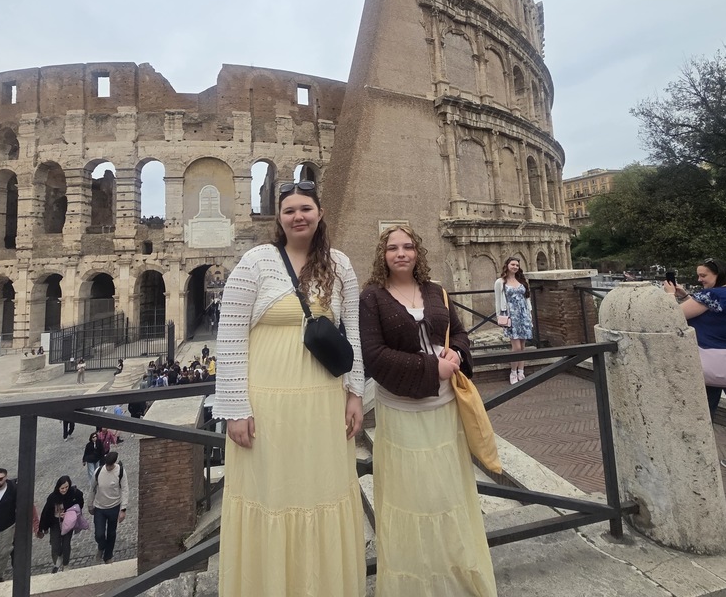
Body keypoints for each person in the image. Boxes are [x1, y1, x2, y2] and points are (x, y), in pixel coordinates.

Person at [215, 179, 365, 596]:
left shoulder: (340, 265)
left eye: (306, 208)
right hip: (267, 404)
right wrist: (234, 408)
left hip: (322, 400)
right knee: (272, 494)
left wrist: (355, 394)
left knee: (323, 488)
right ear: (279, 219)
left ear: (320, 214)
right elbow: (229, 337)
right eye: (289, 211)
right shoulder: (256, 261)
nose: (298, 216)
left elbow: (351, 331)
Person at [360, 225, 497, 596]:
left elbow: (460, 333)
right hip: (403, 408)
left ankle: (452, 571)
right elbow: (372, 356)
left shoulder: (436, 291)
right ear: (382, 254)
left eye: (407, 247)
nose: (401, 253)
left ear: (417, 252)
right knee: (411, 495)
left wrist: (457, 354)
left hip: (445, 406)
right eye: (392, 248)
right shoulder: (372, 297)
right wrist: (429, 368)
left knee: (446, 492)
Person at [665, 257, 726, 482]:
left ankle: (698, 461)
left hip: (708, 362)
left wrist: (669, 296)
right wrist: (685, 296)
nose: (700, 280)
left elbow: (673, 316)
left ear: (719, 274)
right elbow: (715, 312)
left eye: (704, 276)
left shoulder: (714, 295)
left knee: (702, 409)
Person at [494, 256, 534, 384]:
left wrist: (530, 314)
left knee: (522, 346)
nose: (515, 267)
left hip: (523, 315)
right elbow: (497, 300)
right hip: (511, 316)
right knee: (515, 347)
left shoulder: (522, 281)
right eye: (513, 264)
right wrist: (499, 316)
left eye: (517, 265)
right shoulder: (500, 282)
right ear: (507, 265)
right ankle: (513, 372)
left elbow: (527, 299)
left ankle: (521, 371)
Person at [37, 475, 85, 573]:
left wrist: (70, 513)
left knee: (66, 543)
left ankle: (66, 564)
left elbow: (80, 503)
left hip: (68, 522)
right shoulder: (52, 497)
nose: (64, 490)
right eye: (62, 488)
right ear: (58, 487)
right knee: (55, 545)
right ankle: (60, 556)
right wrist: (42, 528)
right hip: (55, 523)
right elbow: (46, 513)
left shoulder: (74, 494)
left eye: (66, 487)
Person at [89, 451, 128, 564]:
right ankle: (101, 546)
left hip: (114, 507)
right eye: (107, 465)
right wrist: (89, 505)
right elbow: (92, 488)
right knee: (99, 534)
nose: (109, 467)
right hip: (99, 507)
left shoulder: (120, 472)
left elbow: (125, 490)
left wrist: (123, 509)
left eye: (110, 465)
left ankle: (108, 556)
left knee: (111, 533)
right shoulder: (99, 471)